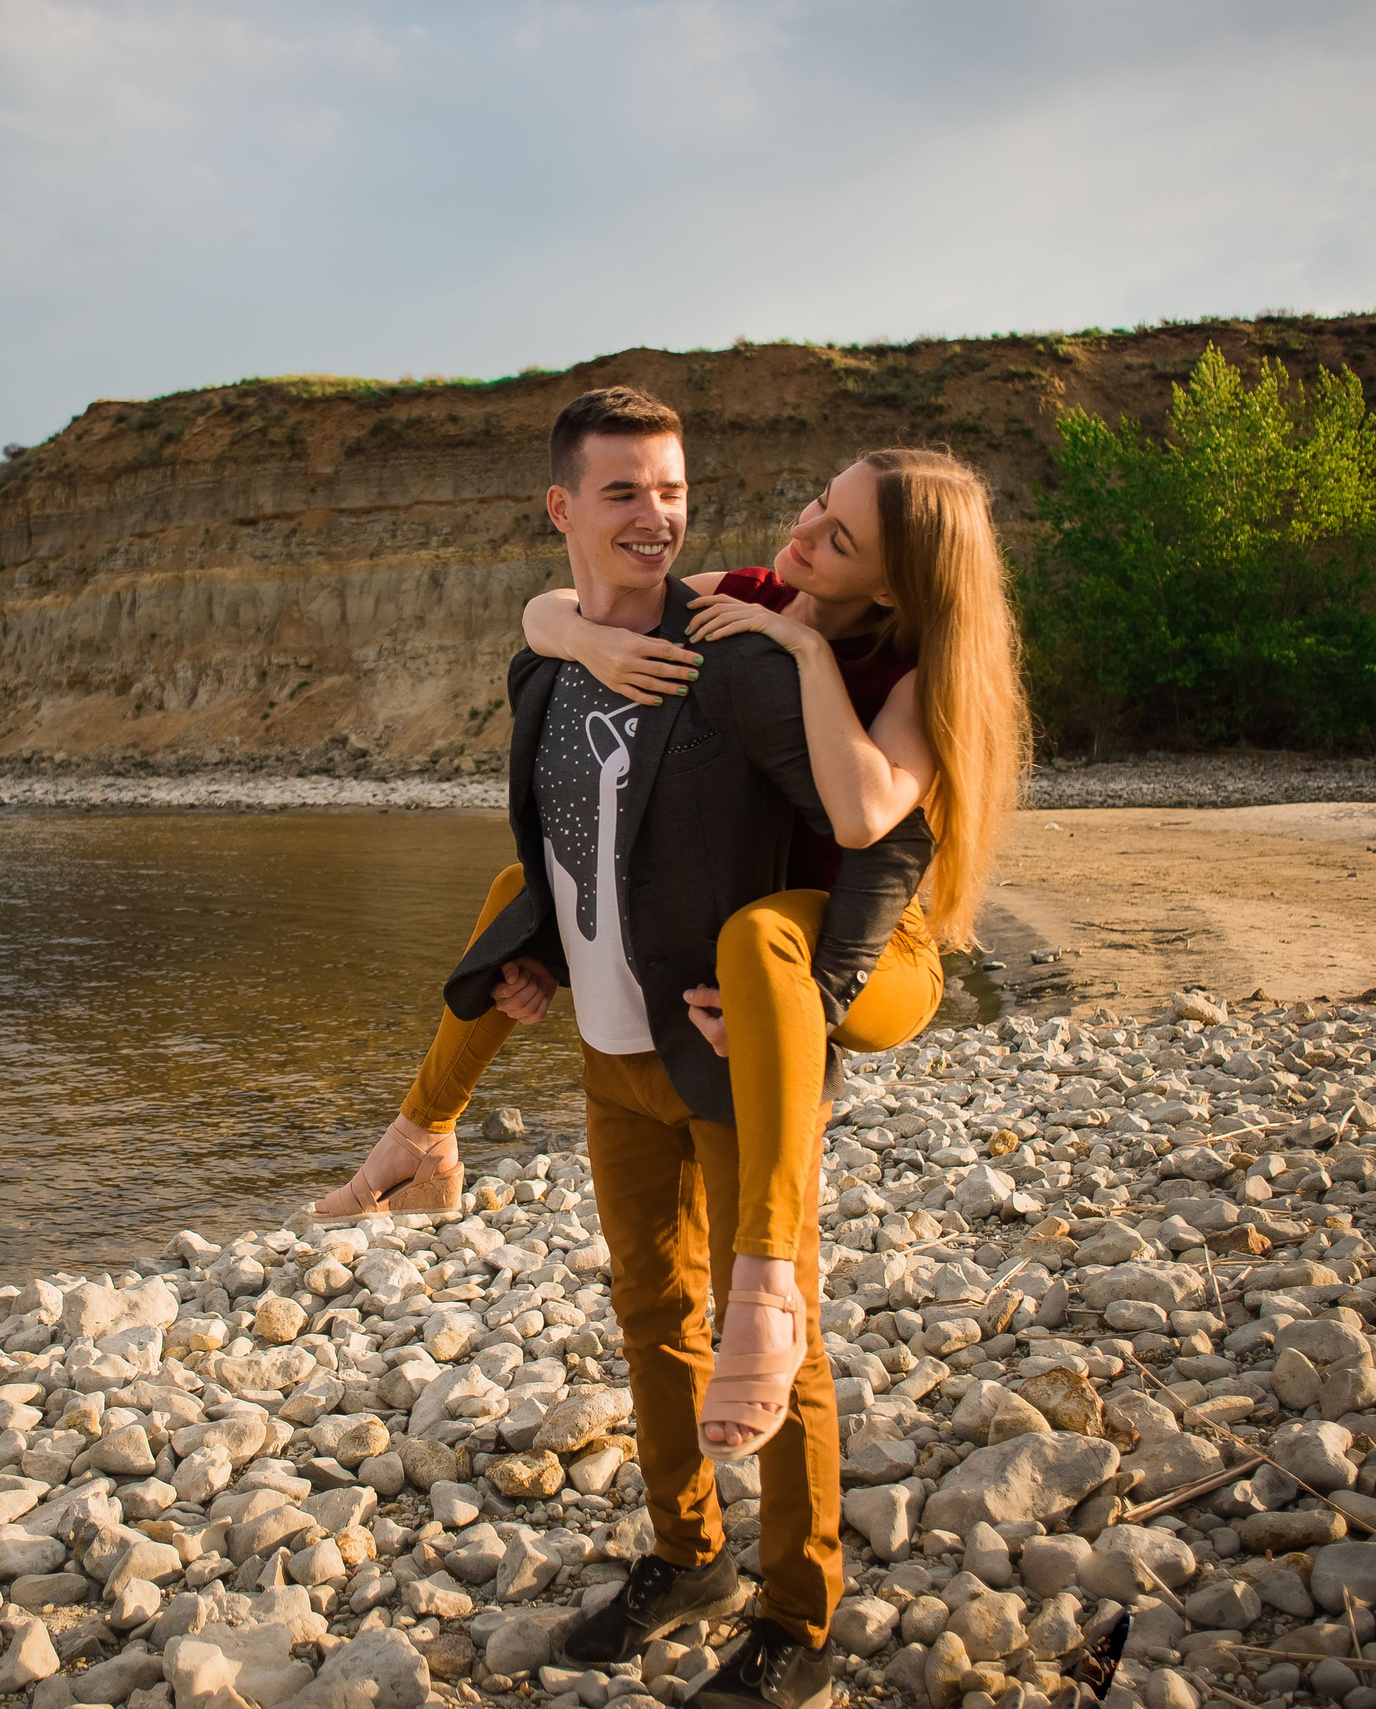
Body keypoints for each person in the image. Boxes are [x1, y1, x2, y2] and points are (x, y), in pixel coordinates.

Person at [322, 384, 945, 1709]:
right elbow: (556, 837)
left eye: (672, 489)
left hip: (723, 1050)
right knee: (649, 1309)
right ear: (563, 509)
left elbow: (881, 829)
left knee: (775, 1337)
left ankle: (799, 1611)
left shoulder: (739, 660)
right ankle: (686, 1551)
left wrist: (821, 998)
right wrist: (548, 942)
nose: (656, 515)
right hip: (608, 1056)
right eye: (623, 491)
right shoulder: (542, 662)